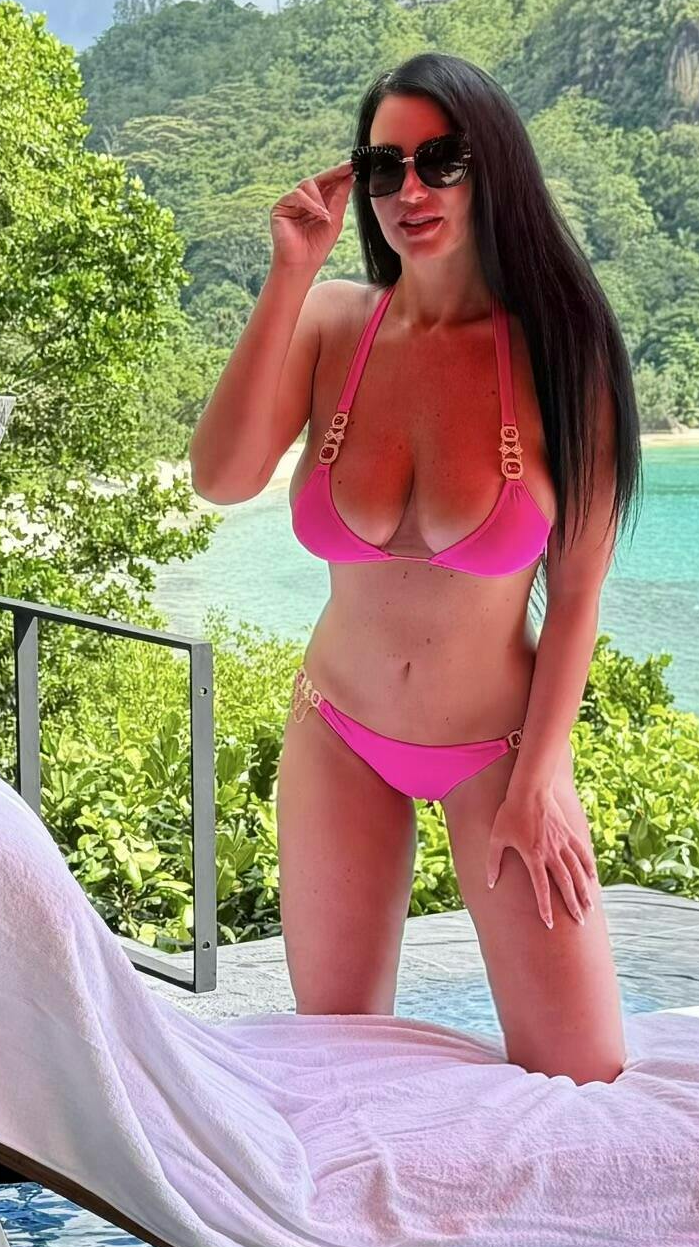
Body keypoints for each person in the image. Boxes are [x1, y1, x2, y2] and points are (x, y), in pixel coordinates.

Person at [189, 53, 639, 1084]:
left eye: (442, 161)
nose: (410, 189)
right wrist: (289, 273)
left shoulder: (561, 350)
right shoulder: (334, 323)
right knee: (341, 1059)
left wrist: (542, 778)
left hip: (498, 751)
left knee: (582, 1073)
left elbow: (576, 596)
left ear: (495, 170)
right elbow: (221, 476)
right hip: (337, 731)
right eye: (383, 166)